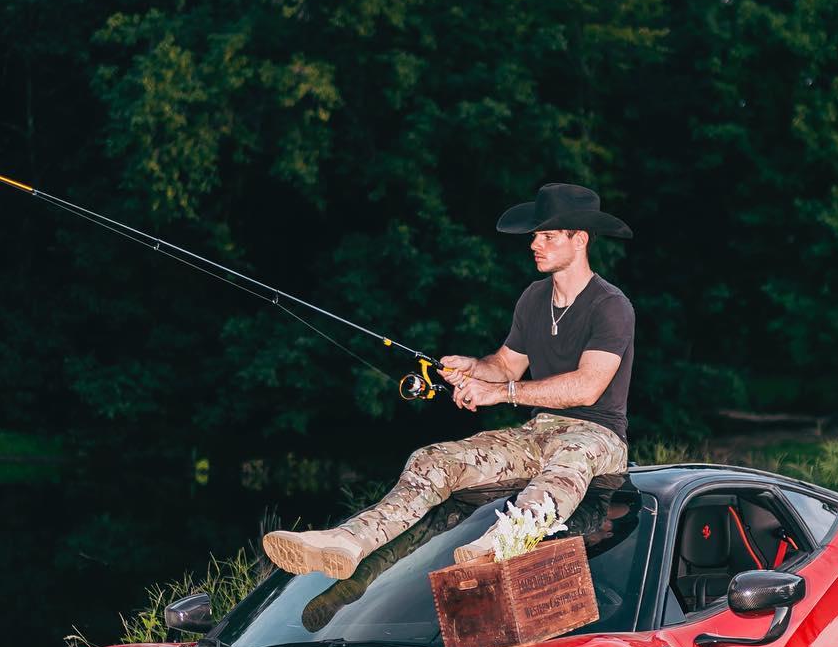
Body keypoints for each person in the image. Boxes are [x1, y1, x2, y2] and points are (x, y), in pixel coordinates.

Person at [262, 183, 635, 579]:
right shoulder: (532, 298)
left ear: (579, 239)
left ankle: (498, 546)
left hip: (598, 437)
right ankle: (349, 541)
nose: (534, 245)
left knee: (565, 468)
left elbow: (587, 386)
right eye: (534, 236)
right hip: (539, 431)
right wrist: (473, 367)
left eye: (547, 236)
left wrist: (500, 393)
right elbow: (506, 365)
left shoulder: (610, 305)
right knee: (433, 460)